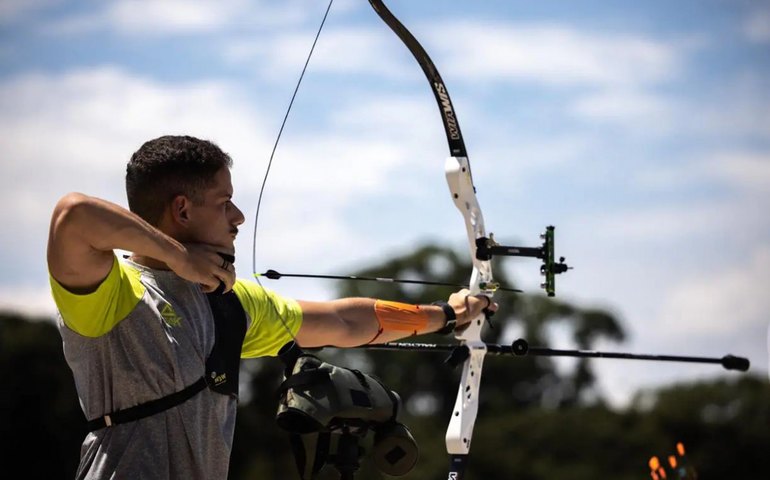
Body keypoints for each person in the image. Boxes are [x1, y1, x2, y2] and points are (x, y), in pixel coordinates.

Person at [47, 135, 495, 479]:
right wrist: (179, 257)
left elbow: (342, 321)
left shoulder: (230, 300)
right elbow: (74, 215)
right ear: (181, 211)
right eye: (224, 203)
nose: (238, 216)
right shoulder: (116, 294)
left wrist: (445, 315)